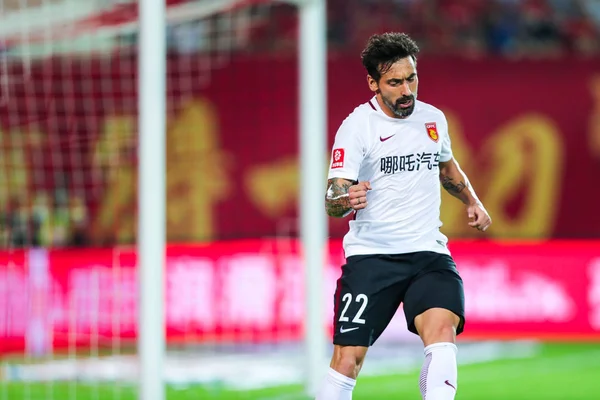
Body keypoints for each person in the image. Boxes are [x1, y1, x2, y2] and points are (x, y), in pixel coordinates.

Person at [317, 32, 492, 400]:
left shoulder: (433, 119)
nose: (406, 89)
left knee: (442, 332)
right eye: (394, 82)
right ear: (373, 83)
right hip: (372, 256)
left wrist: (473, 201)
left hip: (428, 253)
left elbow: (448, 169)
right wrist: (346, 197)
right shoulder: (357, 127)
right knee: (349, 360)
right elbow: (333, 198)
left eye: (411, 78)